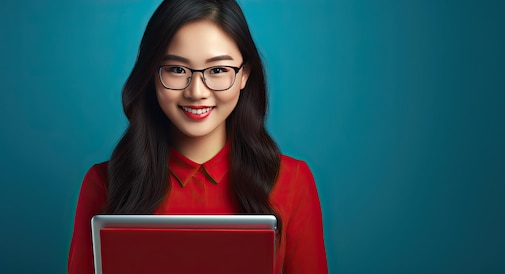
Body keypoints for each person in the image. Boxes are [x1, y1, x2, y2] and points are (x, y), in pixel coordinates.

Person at [68, 0, 328, 273]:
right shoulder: (104, 183)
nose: (197, 92)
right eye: (177, 69)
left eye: (218, 70)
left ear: (244, 75)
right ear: (152, 75)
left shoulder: (292, 181)